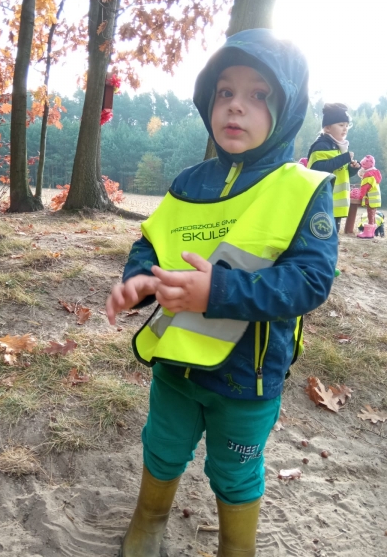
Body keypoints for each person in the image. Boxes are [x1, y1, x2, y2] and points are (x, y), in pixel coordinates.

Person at [106, 28, 338, 557]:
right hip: (176, 364)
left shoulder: (302, 189)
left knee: (235, 471)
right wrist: (139, 281)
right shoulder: (188, 183)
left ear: (287, 108)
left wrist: (220, 292)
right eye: (225, 92)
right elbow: (152, 242)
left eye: (258, 94)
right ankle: (149, 521)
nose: (236, 106)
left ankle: (237, 548)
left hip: (248, 377)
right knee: (162, 447)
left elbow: (310, 280)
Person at [307, 103, 360, 233]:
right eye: (341, 125)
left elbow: (340, 172)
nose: (345, 129)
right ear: (327, 128)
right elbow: (318, 168)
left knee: (333, 237)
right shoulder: (321, 145)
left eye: (347, 125)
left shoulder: (339, 147)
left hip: (335, 204)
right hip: (323, 203)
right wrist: (344, 158)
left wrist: (352, 168)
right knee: (322, 236)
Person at [356, 155, 383, 238]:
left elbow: (364, 189)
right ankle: (372, 233)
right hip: (375, 199)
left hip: (371, 199)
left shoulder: (368, 177)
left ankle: (368, 233)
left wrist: (360, 197)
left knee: (370, 216)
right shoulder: (374, 175)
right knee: (372, 216)